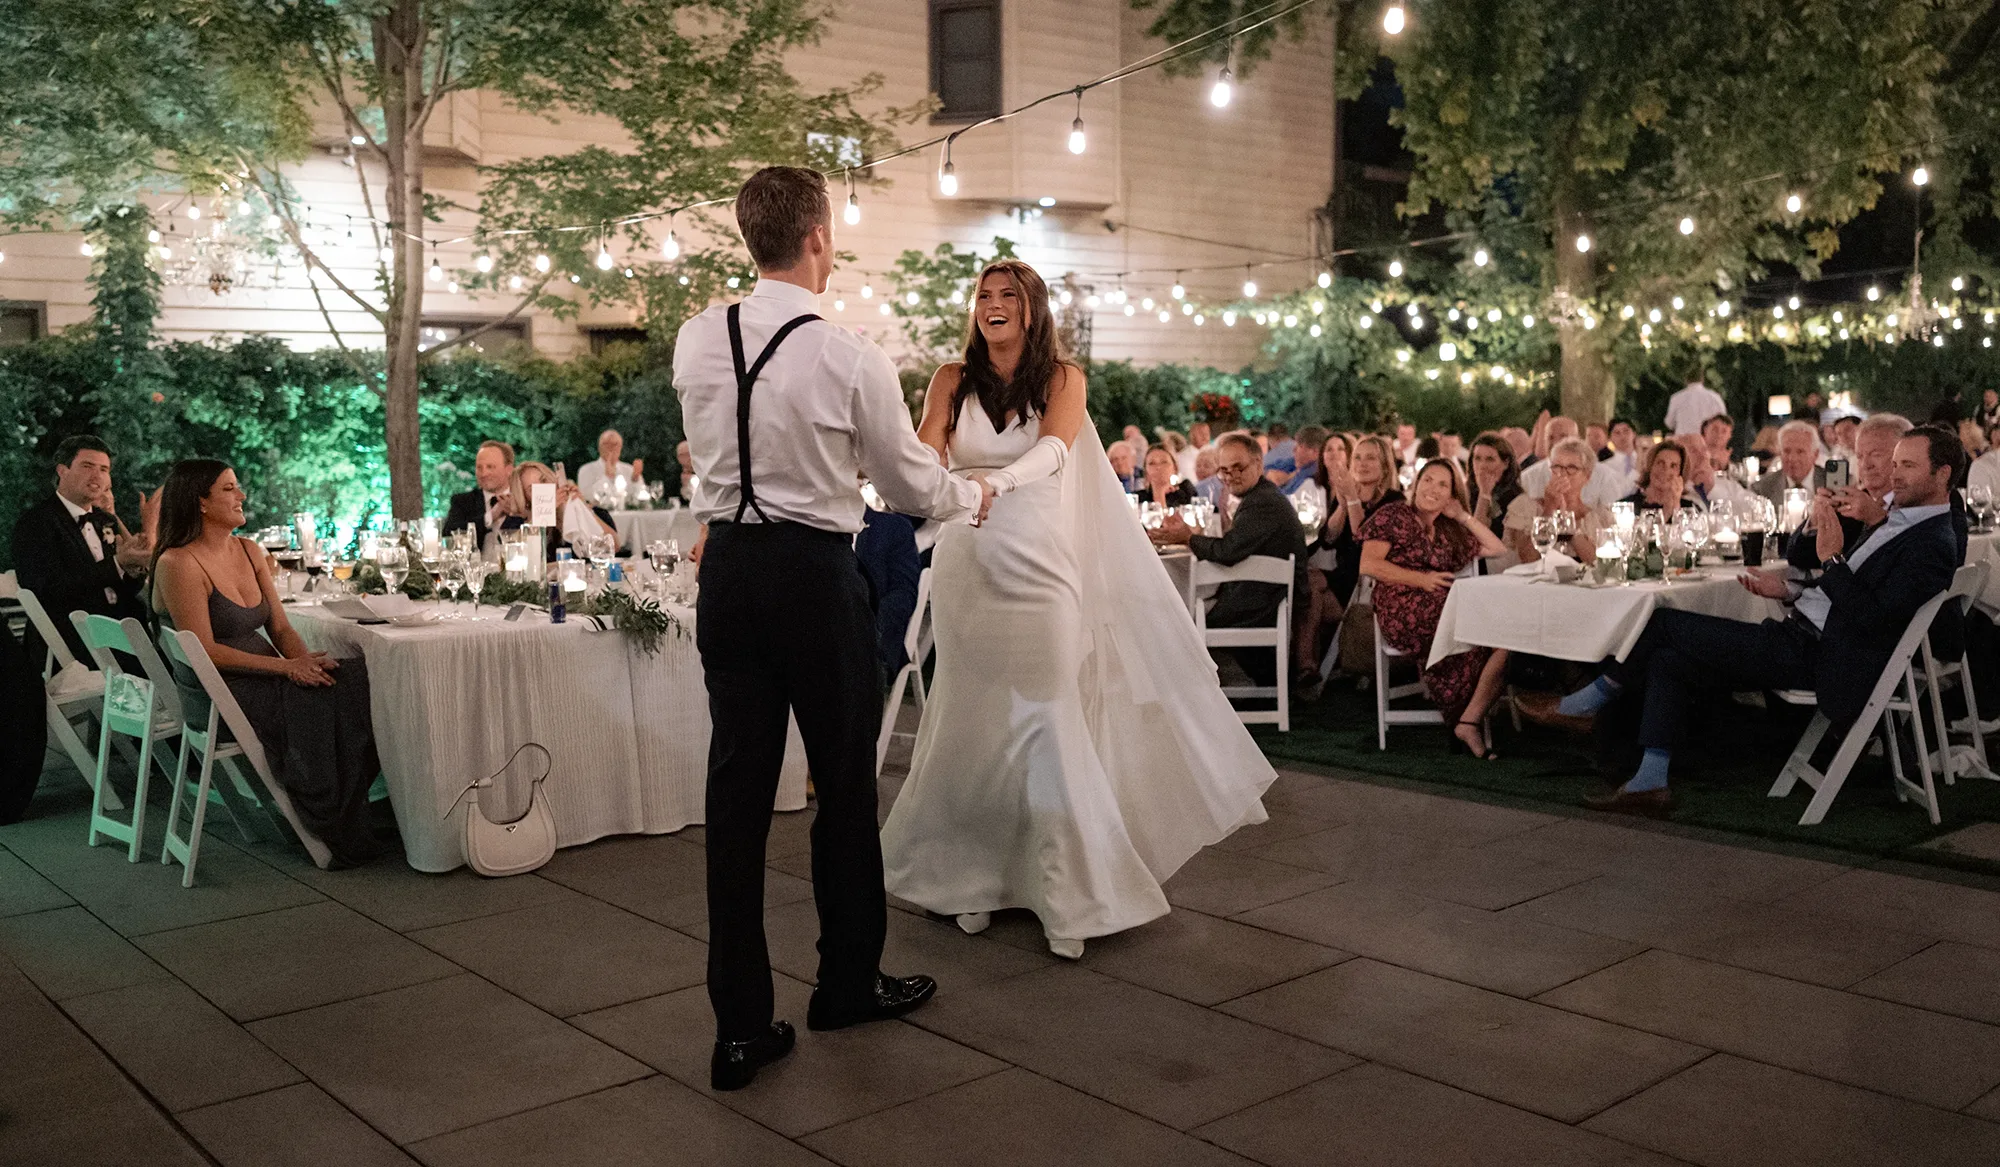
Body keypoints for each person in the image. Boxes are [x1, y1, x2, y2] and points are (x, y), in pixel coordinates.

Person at [674, 167, 993, 1090]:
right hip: (815, 576)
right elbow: (907, 485)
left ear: (750, 238)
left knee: (734, 801)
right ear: (818, 237)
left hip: (728, 570)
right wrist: (971, 493)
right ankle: (846, 982)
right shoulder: (849, 354)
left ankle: (739, 1027)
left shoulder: (698, 340)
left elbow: (711, 449)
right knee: (845, 784)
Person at [885, 259, 1274, 964]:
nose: (993, 305)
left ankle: (1069, 891)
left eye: (1008, 296)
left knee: (1048, 718)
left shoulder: (1063, 379)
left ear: (1032, 310)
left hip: (1039, 563)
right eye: (984, 296)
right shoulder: (951, 378)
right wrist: (894, 460)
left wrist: (990, 482)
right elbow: (924, 452)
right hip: (969, 564)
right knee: (972, 720)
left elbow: (1054, 453)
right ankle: (968, 878)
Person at [1528, 426, 1965, 816]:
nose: (1894, 473)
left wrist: (1832, 560)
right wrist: (1794, 590)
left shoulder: (1932, 541)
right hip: (1802, 634)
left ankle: (1586, 705)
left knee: (1663, 621)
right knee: (1667, 657)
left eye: (1907, 465)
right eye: (1894, 464)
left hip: (1822, 656)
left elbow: (1872, 619)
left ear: (1942, 474)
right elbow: (1833, 579)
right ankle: (1650, 781)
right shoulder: (1896, 520)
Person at [148, 460, 384, 863]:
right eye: (229, 489)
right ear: (200, 502)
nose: (242, 496)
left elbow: (281, 628)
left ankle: (345, 807)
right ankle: (331, 815)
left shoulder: (248, 550)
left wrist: (305, 661)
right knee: (328, 701)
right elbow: (203, 650)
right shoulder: (178, 564)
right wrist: (287, 669)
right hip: (220, 693)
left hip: (266, 675)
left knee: (363, 678)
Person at [1360, 459, 1513, 757]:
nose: (1432, 488)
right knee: (1477, 632)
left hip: (1446, 606)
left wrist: (1462, 516)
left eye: (1443, 485)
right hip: (1402, 606)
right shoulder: (1394, 516)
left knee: (1505, 640)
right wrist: (1421, 579)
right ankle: (1467, 721)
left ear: (1452, 495)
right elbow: (1369, 564)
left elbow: (1497, 549)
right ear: (1417, 483)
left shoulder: (1449, 530)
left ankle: (1467, 721)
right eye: (1428, 479)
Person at [1152, 432, 1309, 687]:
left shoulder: (1262, 503)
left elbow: (1228, 552)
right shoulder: (1262, 496)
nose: (1230, 476)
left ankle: (1186, 691)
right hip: (1265, 598)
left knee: (1175, 617)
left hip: (1258, 605)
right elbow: (1237, 544)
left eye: (1238, 468)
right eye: (1224, 471)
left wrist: (1188, 538)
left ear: (1259, 464)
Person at [12, 435, 158, 665]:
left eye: (104, 469)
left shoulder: (105, 520)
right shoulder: (37, 522)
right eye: (87, 466)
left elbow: (122, 588)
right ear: (62, 470)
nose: (97, 475)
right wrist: (117, 564)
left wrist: (130, 570)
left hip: (121, 632)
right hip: (72, 641)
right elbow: (45, 588)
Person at [1317, 433, 1403, 607]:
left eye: (1370, 458)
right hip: (1342, 574)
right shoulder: (1348, 490)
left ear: (1385, 466)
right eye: (1357, 458)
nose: (1362, 464)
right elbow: (1328, 539)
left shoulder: (1393, 501)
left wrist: (1352, 499)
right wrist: (1342, 506)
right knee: (1305, 584)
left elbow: (1363, 538)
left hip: (1368, 581)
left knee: (1309, 598)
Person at [1506, 437, 1610, 565]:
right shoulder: (1525, 507)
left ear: (1587, 476)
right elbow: (1528, 558)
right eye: (1557, 467)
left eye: (1571, 468)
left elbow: (1600, 564)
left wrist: (1567, 522)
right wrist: (1549, 509)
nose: (1562, 474)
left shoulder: (1600, 517)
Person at [493, 461, 618, 553]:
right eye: (532, 489)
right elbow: (514, 553)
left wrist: (584, 509)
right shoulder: (517, 522)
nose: (543, 489)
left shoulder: (590, 511)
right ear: (526, 500)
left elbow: (614, 547)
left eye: (543, 480)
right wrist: (545, 512)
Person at [1519, 418, 1629, 508]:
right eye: (1550, 437)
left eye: (1563, 436)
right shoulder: (1528, 477)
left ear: (1577, 439)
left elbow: (1612, 516)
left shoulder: (1603, 475)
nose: (1556, 442)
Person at [443, 439, 515, 550]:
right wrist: (490, 516)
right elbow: (449, 534)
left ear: (509, 470)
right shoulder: (462, 501)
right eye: (479, 467)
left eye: (490, 467)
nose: (484, 473)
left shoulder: (522, 499)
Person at [1467, 431, 1523, 549]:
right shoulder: (1464, 493)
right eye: (1477, 458)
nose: (1482, 465)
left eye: (1490, 459)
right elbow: (1471, 541)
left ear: (1505, 463)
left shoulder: (1516, 498)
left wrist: (1485, 493)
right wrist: (1484, 494)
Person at [1753, 420, 1826, 506]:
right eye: (1786, 451)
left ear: (1815, 455)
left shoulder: (1830, 484)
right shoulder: (1763, 489)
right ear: (1779, 453)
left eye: (1800, 452)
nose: (1792, 458)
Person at [1681, 439, 1755, 511]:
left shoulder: (1727, 484)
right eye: (1693, 451)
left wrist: (1712, 490)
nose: (1702, 455)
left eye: (1704, 449)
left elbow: (1755, 506)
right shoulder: (1680, 493)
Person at [1623, 441, 1688, 519]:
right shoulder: (1626, 508)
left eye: (1673, 466)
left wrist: (1676, 504)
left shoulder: (1690, 509)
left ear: (1680, 474)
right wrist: (1667, 510)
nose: (1665, 470)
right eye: (1660, 463)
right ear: (1650, 466)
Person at [576, 429, 641, 501]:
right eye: (607, 444)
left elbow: (638, 498)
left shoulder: (629, 470)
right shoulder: (586, 470)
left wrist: (635, 479)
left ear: (620, 448)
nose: (611, 448)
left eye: (615, 444)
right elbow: (586, 497)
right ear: (599, 447)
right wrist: (607, 477)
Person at [1280, 425, 1327, 494]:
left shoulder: (1310, 477)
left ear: (1315, 451)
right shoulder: (1304, 470)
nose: (1294, 450)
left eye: (1299, 446)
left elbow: (1287, 500)